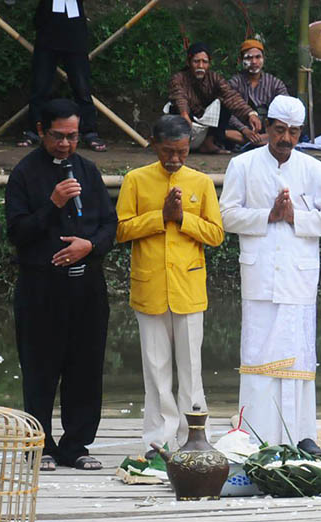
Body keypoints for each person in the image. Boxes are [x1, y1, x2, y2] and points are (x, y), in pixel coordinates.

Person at [219, 96, 321, 455]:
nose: (285, 138)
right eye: (279, 130)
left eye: (293, 132)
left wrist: (295, 218)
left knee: (299, 356)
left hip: (298, 277)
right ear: (266, 127)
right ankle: (257, 434)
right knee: (258, 356)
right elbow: (226, 215)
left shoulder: (313, 169)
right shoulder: (242, 165)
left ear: (300, 132)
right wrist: (268, 216)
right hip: (259, 276)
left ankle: (302, 433)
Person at [5, 98, 115, 471]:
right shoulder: (24, 173)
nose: (66, 144)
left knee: (85, 367)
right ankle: (40, 445)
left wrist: (90, 246)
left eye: (73, 136)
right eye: (58, 136)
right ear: (41, 131)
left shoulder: (88, 170)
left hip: (86, 290)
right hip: (41, 291)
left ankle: (76, 445)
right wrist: (52, 204)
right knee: (40, 369)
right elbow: (17, 232)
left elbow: (109, 226)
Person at [115, 115, 225, 455]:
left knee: (192, 368)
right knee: (156, 367)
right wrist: (159, 217)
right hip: (149, 287)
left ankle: (193, 438)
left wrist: (183, 219)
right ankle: (159, 440)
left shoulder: (202, 182)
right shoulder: (135, 180)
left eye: (181, 152)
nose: (175, 159)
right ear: (153, 144)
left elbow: (216, 234)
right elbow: (121, 231)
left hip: (188, 287)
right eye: (167, 152)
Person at [22, 0, 106, 151]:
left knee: (82, 89)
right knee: (40, 87)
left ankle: (89, 132)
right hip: (47, 33)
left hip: (75, 35)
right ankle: (34, 130)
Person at [167, 42, 261, 154]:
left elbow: (230, 96)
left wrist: (250, 114)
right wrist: (184, 113)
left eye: (204, 62)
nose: (200, 66)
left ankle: (208, 143)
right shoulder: (178, 78)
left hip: (205, 121)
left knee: (225, 104)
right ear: (188, 62)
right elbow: (179, 96)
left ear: (209, 64)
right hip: (185, 118)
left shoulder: (214, 78)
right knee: (174, 109)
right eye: (196, 61)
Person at [225, 39, 289, 149]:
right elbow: (226, 112)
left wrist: (269, 132)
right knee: (222, 132)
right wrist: (244, 130)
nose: (254, 62)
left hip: (268, 132)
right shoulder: (234, 83)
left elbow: (286, 108)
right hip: (240, 131)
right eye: (249, 58)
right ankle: (255, 141)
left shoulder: (275, 83)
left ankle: (261, 140)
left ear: (263, 59)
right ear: (241, 60)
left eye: (258, 57)